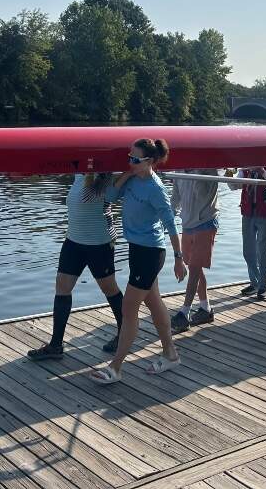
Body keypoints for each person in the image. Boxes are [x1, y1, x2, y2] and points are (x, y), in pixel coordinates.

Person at [90, 138, 186, 385]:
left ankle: (116, 366)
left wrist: (178, 258)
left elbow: (170, 224)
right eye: (129, 157)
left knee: (129, 309)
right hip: (136, 249)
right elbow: (109, 197)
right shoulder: (132, 177)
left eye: (135, 159)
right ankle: (171, 354)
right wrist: (125, 174)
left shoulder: (156, 189)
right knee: (154, 302)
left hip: (151, 253)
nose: (130, 162)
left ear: (150, 162)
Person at [29, 173, 124, 360]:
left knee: (109, 288)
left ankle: (124, 335)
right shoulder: (80, 173)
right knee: (62, 288)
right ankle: (56, 345)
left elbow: (114, 196)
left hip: (99, 243)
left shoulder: (110, 175)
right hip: (73, 241)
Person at [170, 170, 220, 332]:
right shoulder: (179, 170)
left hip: (206, 221)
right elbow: (176, 196)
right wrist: (169, 215)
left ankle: (184, 312)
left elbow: (202, 194)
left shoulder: (209, 169)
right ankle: (206, 309)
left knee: (194, 268)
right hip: (187, 223)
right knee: (192, 265)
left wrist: (196, 172)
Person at [230, 166, 266, 301]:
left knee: (263, 250)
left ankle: (262, 286)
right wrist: (230, 173)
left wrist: (261, 171)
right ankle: (254, 283)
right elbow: (233, 186)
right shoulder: (246, 169)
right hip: (248, 213)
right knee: (248, 251)